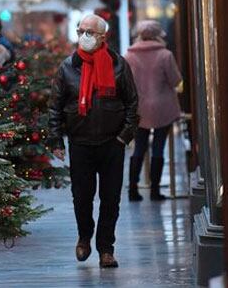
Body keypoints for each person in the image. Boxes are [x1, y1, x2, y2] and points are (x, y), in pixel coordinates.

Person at [49, 14, 139, 268]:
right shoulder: (68, 67)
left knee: (111, 198)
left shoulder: (118, 65)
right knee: (82, 197)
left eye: (89, 32)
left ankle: (106, 249)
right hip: (80, 142)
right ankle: (84, 236)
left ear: (102, 36)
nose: (84, 36)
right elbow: (55, 106)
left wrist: (124, 136)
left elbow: (132, 102)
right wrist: (56, 139)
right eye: (81, 31)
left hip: (112, 142)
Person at [124, 20, 183, 201]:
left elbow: (125, 83)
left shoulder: (129, 56)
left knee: (139, 148)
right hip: (162, 108)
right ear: (158, 35)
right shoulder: (165, 55)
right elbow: (175, 80)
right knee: (159, 148)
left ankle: (133, 190)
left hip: (139, 109)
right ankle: (155, 191)